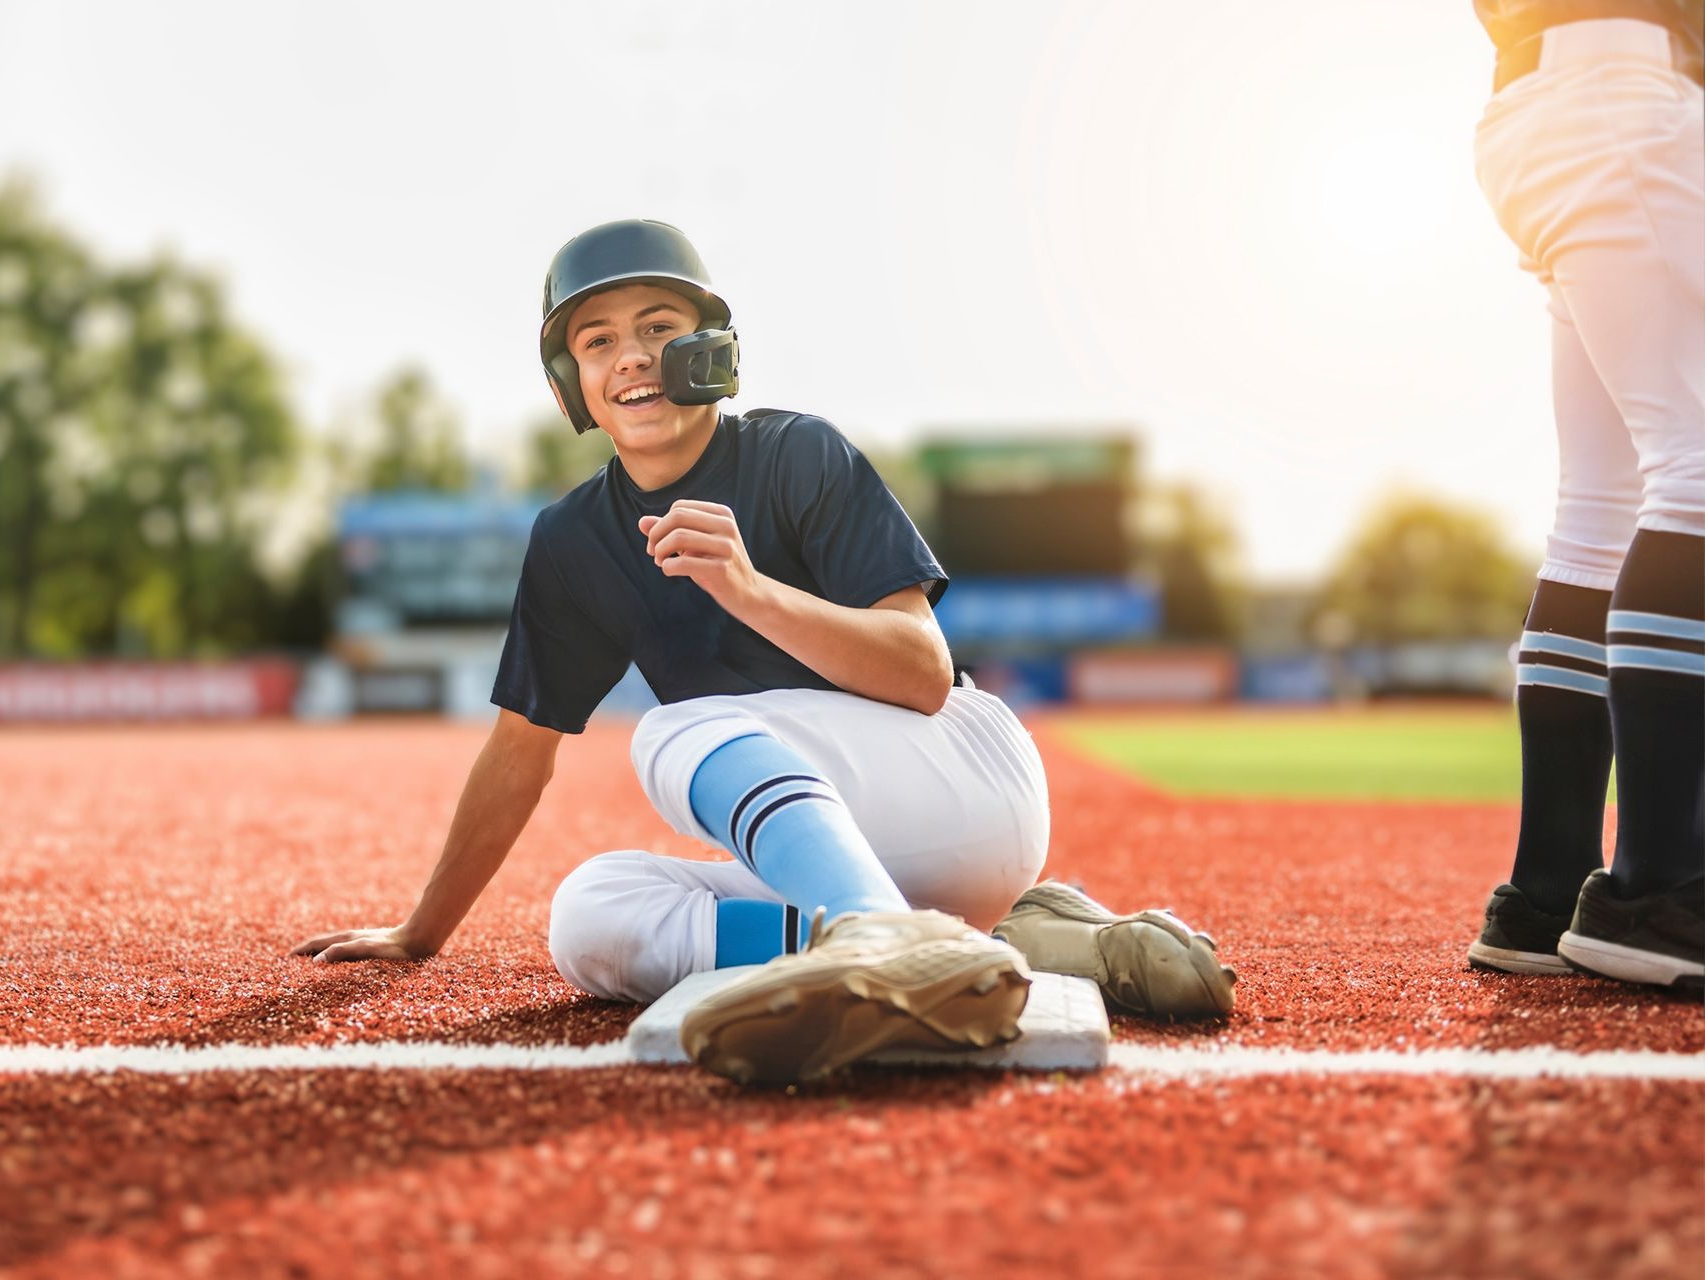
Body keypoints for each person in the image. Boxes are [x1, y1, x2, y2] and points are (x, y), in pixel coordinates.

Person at [293, 220, 1235, 1084]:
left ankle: (882, 938)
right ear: (568, 384)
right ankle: (964, 948)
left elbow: (922, 673)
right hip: (827, 851)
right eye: (598, 340)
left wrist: (750, 592)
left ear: (713, 349)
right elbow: (520, 750)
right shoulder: (573, 539)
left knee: (670, 732)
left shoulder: (798, 456)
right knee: (588, 918)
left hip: (964, 779)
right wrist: (422, 932)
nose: (632, 357)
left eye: (659, 325)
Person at [1466, 3, 1705, 988]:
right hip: (1620, 90)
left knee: (1603, 508)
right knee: (1695, 473)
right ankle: (1661, 890)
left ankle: (1548, 890)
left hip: (1560, 100)